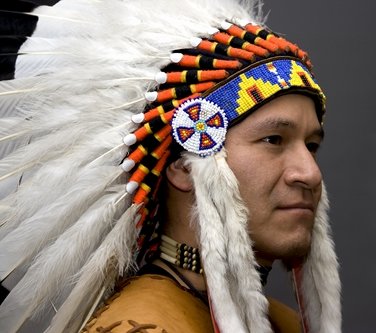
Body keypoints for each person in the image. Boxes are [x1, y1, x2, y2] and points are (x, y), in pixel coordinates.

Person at [0, 0, 341, 332]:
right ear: (184, 165)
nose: (310, 173)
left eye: (312, 146)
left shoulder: (285, 324)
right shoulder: (142, 326)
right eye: (274, 140)